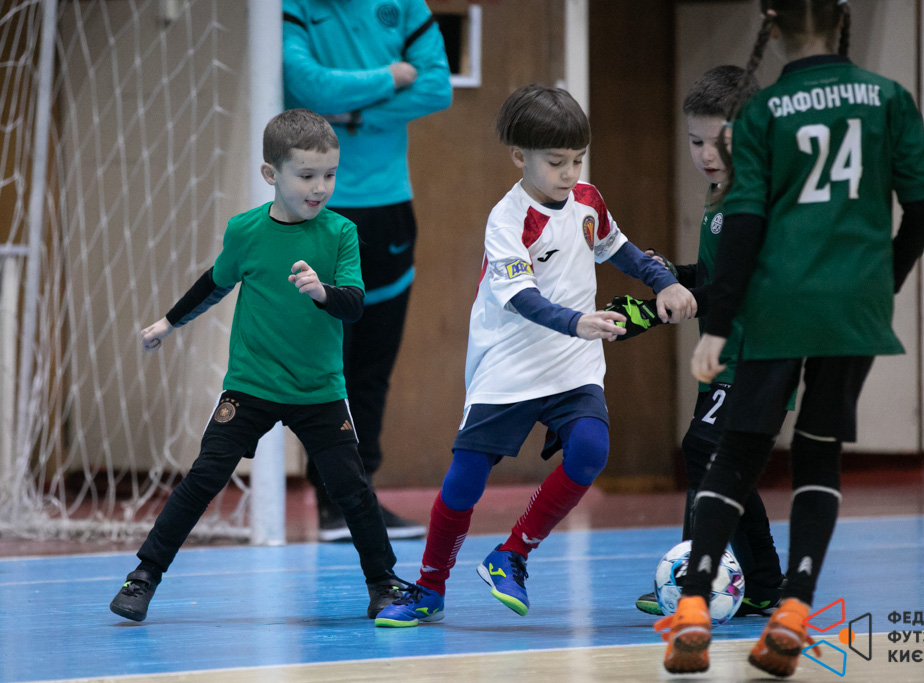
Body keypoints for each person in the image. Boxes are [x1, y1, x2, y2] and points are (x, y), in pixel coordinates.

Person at [654, 0, 924, 676]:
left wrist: (716, 327)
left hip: (778, 304)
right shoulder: (888, 98)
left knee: (733, 455)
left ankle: (692, 608)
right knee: (818, 456)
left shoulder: (764, 112)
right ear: (840, 19)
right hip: (853, 306)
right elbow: (923, 206)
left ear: (774, 26)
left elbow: (745, 224)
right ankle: (792, 612)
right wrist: (883, 283)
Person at [373, 84, 697, 628]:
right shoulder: (507, 219)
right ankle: (429, 589)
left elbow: (618, 248)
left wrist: (664, 281)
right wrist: (578, 322)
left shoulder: (588, 200)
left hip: (573, 361)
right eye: (556, 161)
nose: (569, 173)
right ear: (519, 157)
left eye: (577, 159)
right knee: (464, 482)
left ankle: (512, 554)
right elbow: (522, 298)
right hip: (510, 361)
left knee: (590, 451)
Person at [109, 109, 406, 623]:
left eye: (330, 175)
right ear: (271, 174)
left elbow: (355, 304)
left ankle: (384, 584)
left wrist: (322, 292)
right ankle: (143, 576)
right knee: (204, 477)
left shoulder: (341, 232)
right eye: (306, 175)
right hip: (251, 385)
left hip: (318, 389)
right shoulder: (245, 230)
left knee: (353, 489)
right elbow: (214, 283)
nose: (320, 187)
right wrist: (168, 322)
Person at [611, 66, 785, 618]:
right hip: (728, 354)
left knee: (704, 451)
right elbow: (714, 275)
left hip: (759, 354)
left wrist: (655, 311)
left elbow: (736, 288)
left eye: (720, 142)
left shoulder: (755, 197)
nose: (707, 155)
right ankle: (763, 583)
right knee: (719, 458)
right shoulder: (720, 191)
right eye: (695, 141)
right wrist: (673, 275)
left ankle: (698, 577)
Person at [282, 0, 453, 542]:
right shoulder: (293, 8)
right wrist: (390, 77)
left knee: (373, 366)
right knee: (327, 365)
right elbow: (307, 87)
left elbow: (437, 88)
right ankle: (333, 502)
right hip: (318, 212)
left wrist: (354, 117)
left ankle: (360, 497)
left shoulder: (404, 6)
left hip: (389, 209)